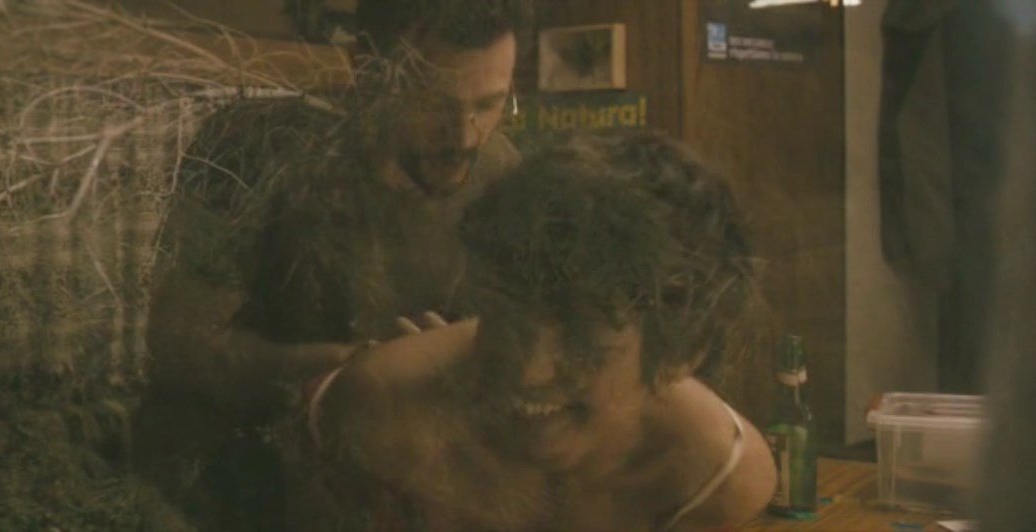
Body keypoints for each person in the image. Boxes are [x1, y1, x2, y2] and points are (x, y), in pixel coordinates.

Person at [132, 1, 527, 530]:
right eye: (434, 103)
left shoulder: (500, 172)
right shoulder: (257, 146)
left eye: (490, 103)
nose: (464, 136)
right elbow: (179, 345)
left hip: (396, 477)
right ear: (369, 72)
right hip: (234, 478)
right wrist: (362, 367)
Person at [314, 131, 777, 531]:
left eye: (582, 337)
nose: (527, 370)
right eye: (506, 316)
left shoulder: (712, 477)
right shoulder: (381, 409)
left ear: (682, 352)